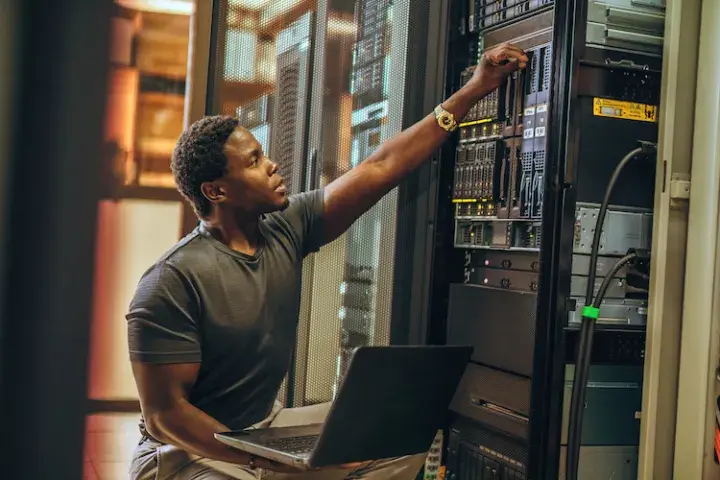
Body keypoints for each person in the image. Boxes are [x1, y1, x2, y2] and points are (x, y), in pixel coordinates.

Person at [127, 43, 527, 480]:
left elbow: (381, 166)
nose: (273, 166)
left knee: (396, 441)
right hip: (190, 454)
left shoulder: (286, 226)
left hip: (261, 431)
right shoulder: (172, 281)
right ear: (216, 192)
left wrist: (476, 88)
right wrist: (264, 460)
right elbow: (167, 417)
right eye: (255, 162)